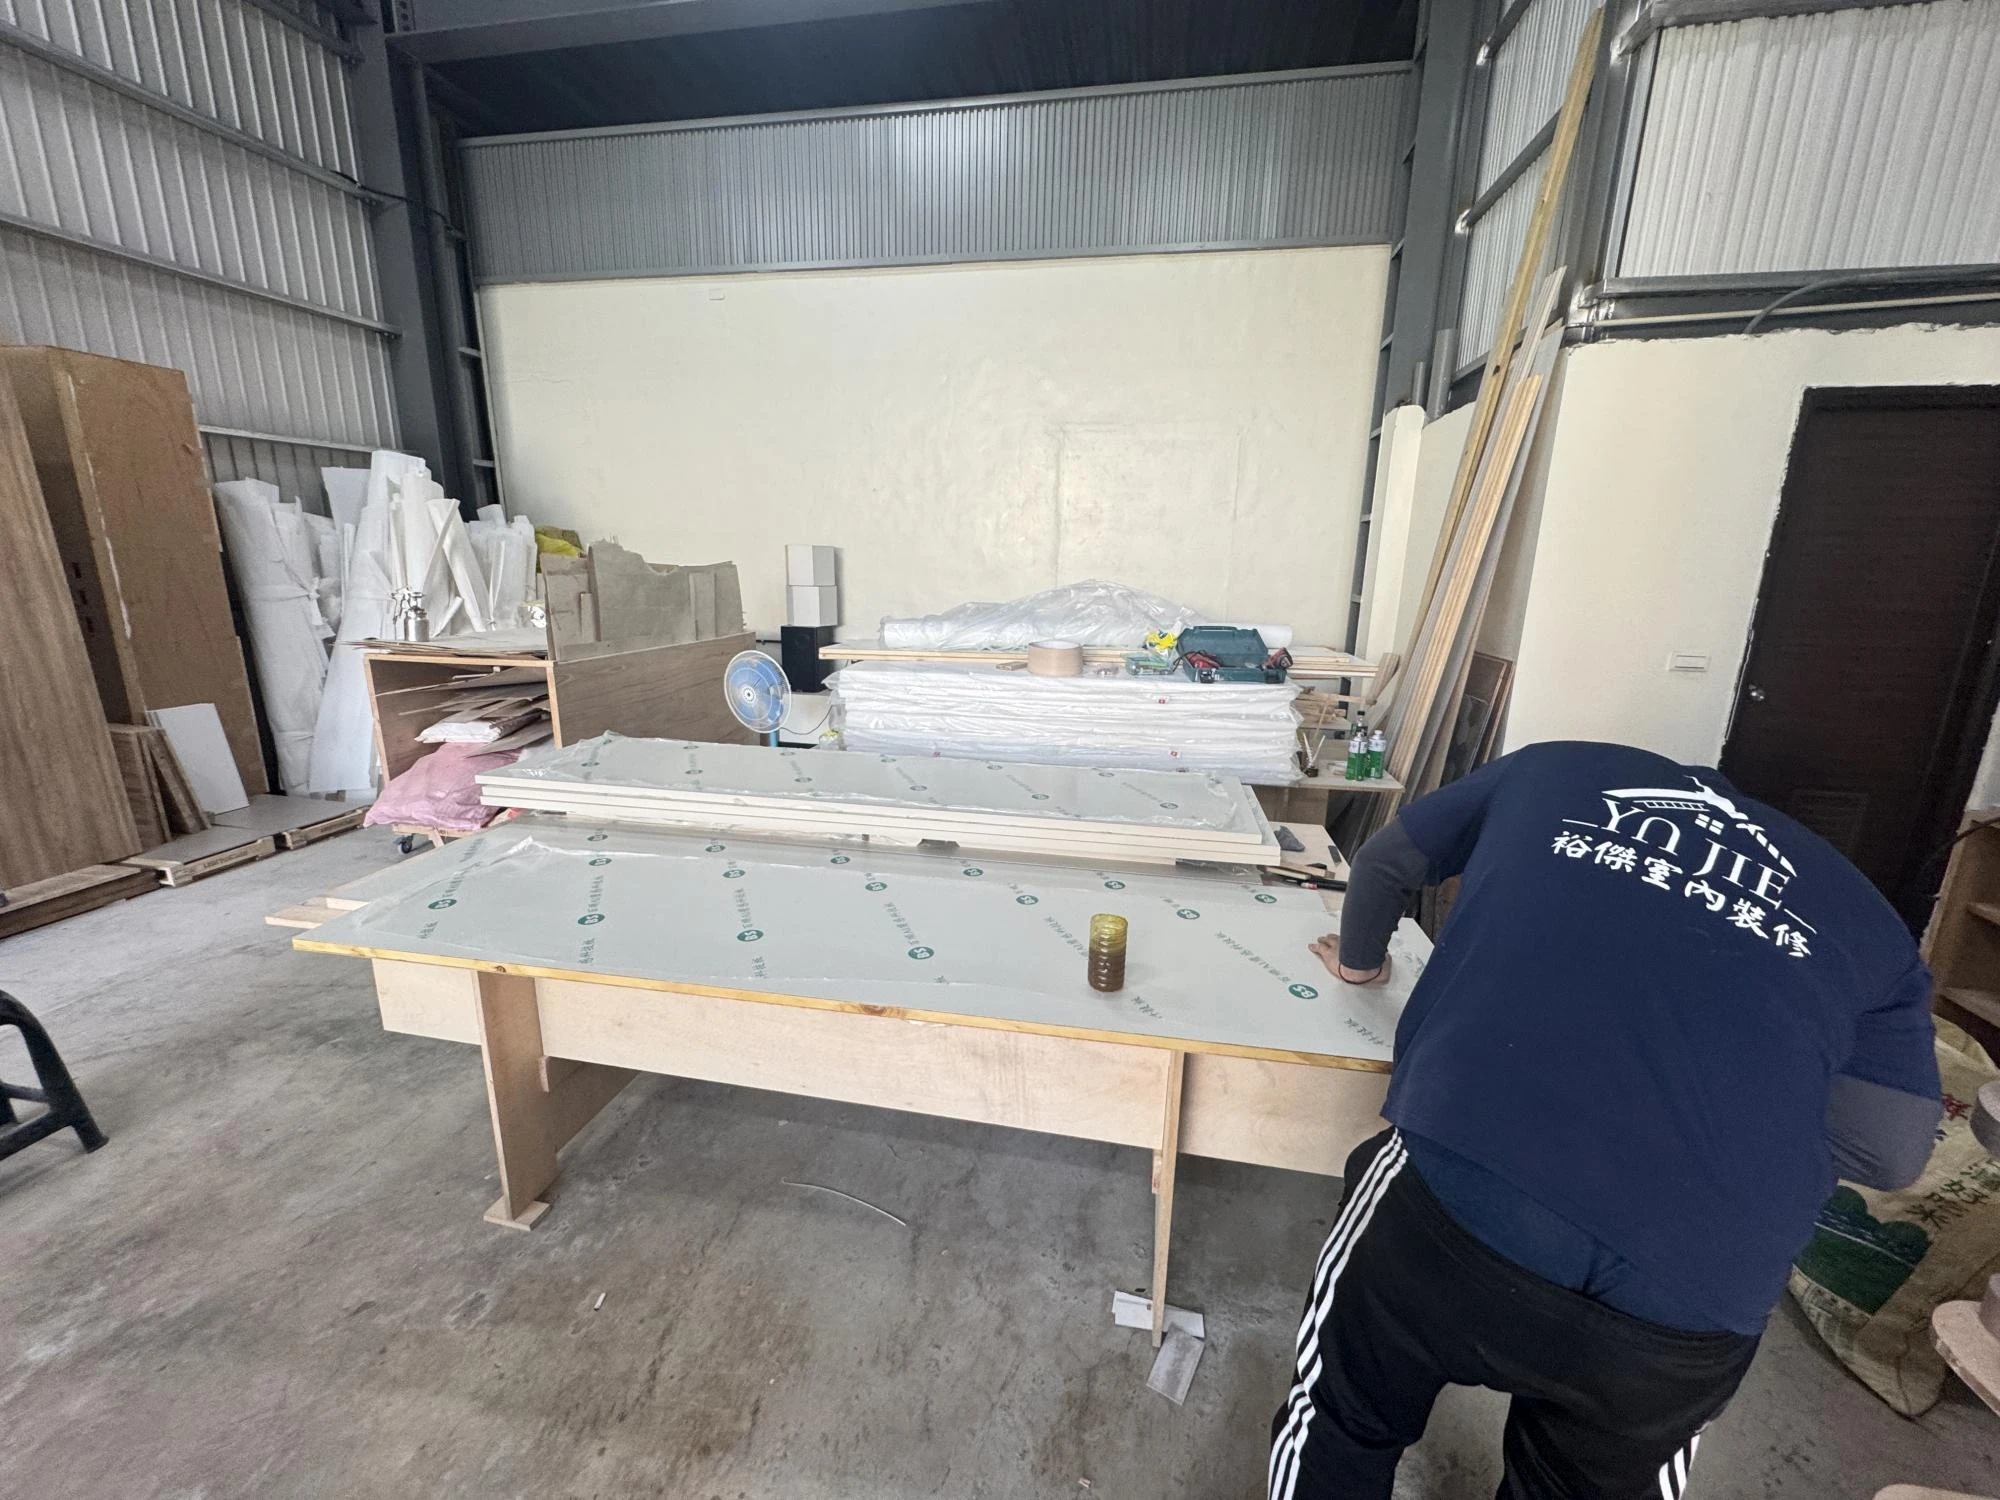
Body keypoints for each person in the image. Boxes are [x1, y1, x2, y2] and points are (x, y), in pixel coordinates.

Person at [1269, 740, 1942, 1500]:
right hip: (1698, 1288)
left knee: (1342, 1417)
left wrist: (1359, 964)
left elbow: (1386, 861)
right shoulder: (1869, 919)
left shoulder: (1552, 769)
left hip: (1467, 1181)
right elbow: (1892, 1154)